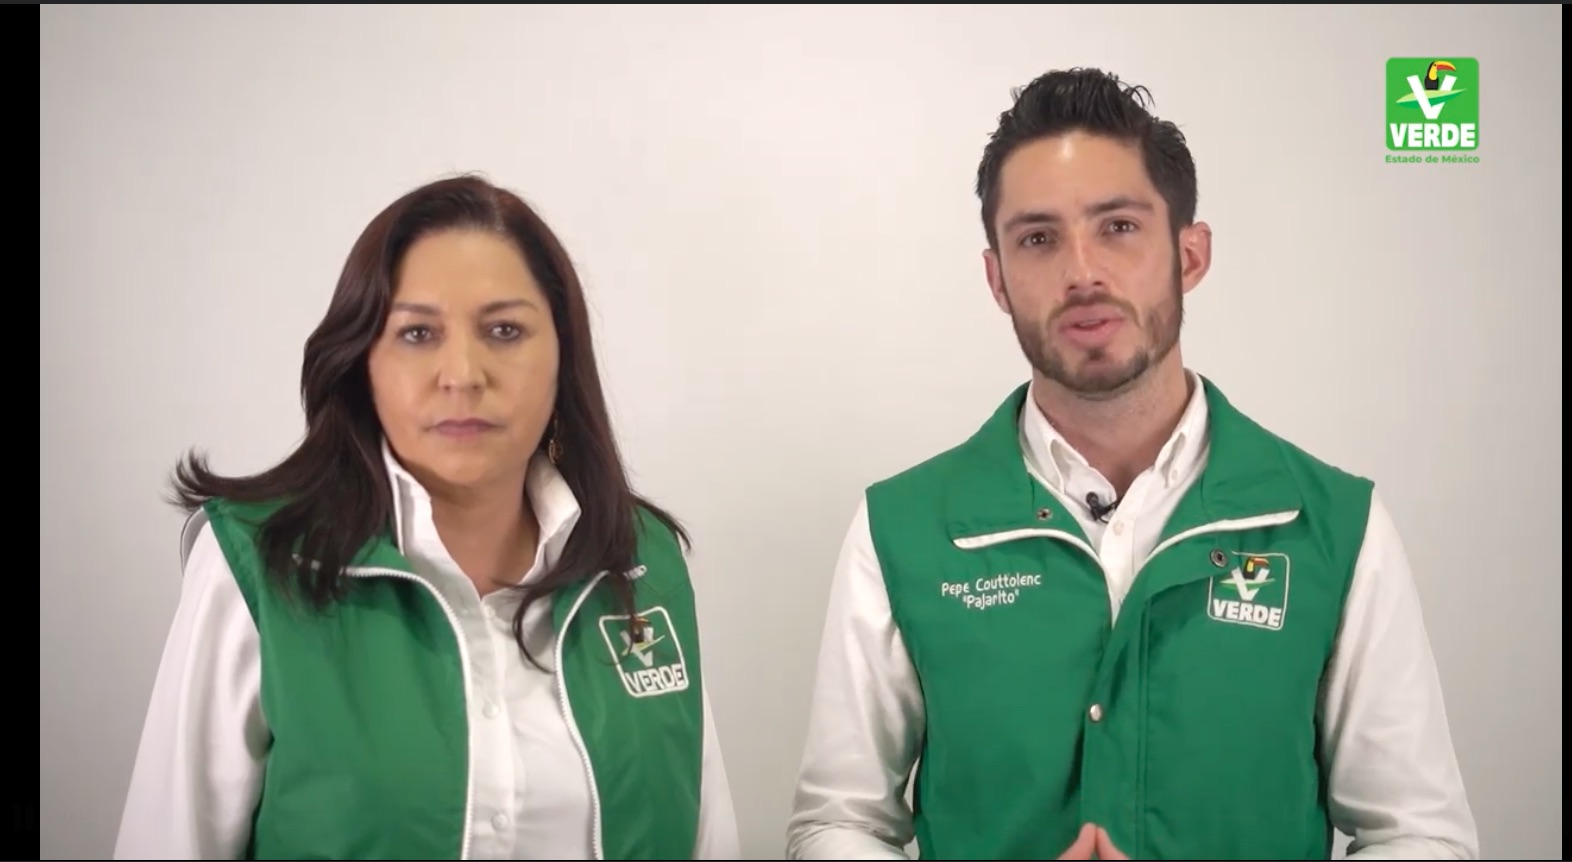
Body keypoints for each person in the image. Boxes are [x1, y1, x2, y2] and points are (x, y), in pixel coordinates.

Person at [785, 68, 1479, 861]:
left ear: (1190, 254)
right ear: (997, 279)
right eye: (1038, 238)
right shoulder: (903, 530)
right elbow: (839, 823)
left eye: (1117, 226)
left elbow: (1417, 832)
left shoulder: (1333, 525)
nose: (1081, 271)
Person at [113, 174, 740, 860]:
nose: (463, 373)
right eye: (417, 333)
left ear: (563, 355)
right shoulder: (259, 564)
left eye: (505, 330)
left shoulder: (642, 560)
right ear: (362, 363)